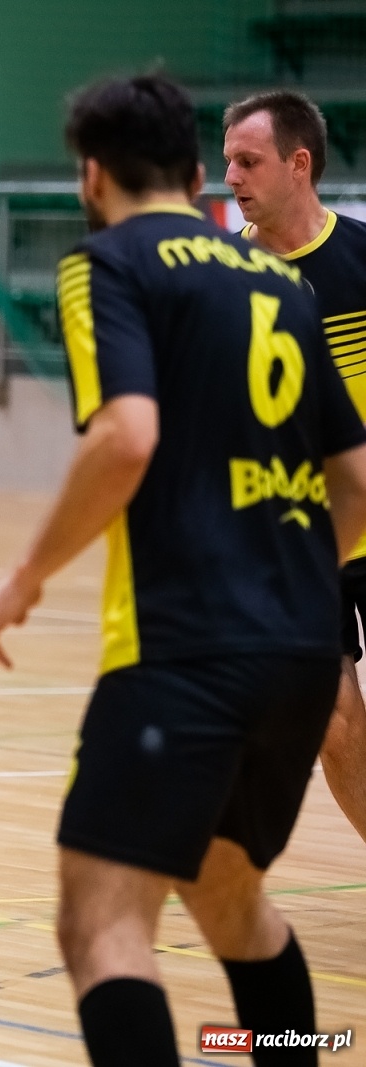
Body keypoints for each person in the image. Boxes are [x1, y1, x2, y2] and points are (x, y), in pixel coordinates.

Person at [0, 74, 366, 1066]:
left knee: (99, 919)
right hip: (300, 650)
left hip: (185, 646)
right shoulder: (279, 281)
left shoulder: (105, 263)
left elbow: (125, 436)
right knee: (230, 896)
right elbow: (356, 482)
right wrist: (292, 582)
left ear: (91, 175)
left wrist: (24, 576)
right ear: (196, 176)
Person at [224, 88, 366, 846]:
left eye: (248, 161)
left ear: (299, 163)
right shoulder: (224, 278)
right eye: (228, 162)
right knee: (334, 723)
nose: (232, 177)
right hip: (299, 544)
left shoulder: (360, 258)